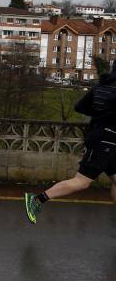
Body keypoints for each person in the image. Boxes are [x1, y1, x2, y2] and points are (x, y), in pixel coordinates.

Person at [25, 67, 116, 223]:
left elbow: (79, 107)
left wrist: (100, 115)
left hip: (105, 136)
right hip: (105, 139)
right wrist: (107, 116)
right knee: (82, 181)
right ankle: (37, 200)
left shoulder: (101, 86)